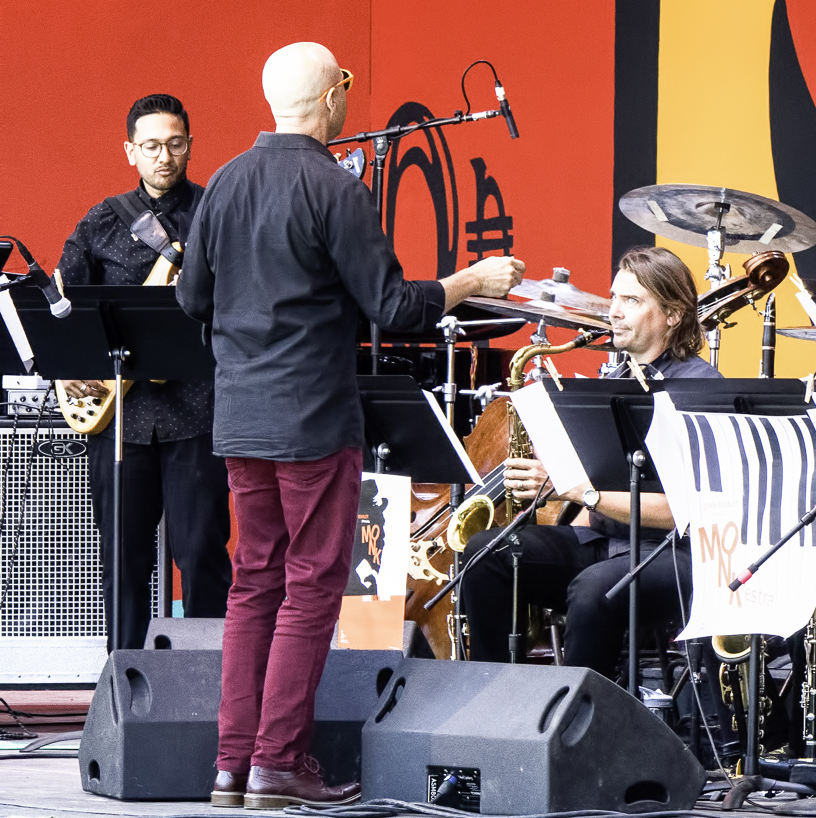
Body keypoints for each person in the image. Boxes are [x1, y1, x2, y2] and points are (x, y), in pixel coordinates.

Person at [178, 43, 523, 808]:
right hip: (311, 419)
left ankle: (232, 767)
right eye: (346, 87)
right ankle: (277, 762)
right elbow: (394, 306)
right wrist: (470, 280)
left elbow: (189, 299)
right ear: (333, 97)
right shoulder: (334, 188)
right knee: (309, 587)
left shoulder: (226, 181)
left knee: (252, 585)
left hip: (240, 417)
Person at [458, 246, 719, 675]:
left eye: (631, 301)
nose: (614, 311)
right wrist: (548, 486)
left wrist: (585, 492)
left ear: (673, 315)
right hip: (603, 543)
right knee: (487, 552)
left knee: (594, 588)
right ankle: (497, 698)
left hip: (676, 554)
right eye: (614, 297)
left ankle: (578, 721)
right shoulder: (611, 381)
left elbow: (685, 514)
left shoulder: (700, 388)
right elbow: (589, 490)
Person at [56, 93, 232, 650]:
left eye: (175, 144)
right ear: (130, 150)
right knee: (123, 561)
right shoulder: (101, 221)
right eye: (152, 145)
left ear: (190, 145)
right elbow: (63, 305)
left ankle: (215, 689)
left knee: (201, 551)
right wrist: (72, 374)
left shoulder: (215, 213)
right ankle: (124, 689)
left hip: (197, 413)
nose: (164, 156)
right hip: (120, 421)